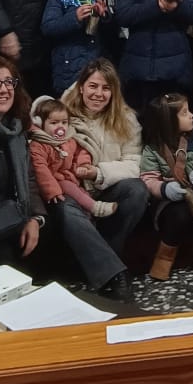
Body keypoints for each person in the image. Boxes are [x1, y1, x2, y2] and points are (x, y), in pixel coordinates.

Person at [0, 58, 132, 300]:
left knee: (57, 223)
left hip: (14, 218)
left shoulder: (16, 128)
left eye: (9, 82)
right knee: (8, 290)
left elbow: (30, 180)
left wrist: (35, 219)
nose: (4, 89)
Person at [59, 59, 152, 286]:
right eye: (93, 86)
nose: (98, 93)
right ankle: (113, 275)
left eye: (105, 88)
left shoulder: (126, 118)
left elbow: (134, 162)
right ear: (81, 87)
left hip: (106, 187)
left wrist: (98, 172)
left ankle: (107, 262)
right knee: (62, 205)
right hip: (73, 190)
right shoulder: (60, 113)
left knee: (137, 190)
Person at [139, 93, 193, 279]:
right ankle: (164, 257)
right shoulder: (153, 148)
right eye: (185, 113)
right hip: (169, 201)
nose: (192, 115)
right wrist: (163, 189)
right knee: (179, 215)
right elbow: (148, 178)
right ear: (169, 120)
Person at [29, 96, 116, 218]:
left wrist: (83, 165)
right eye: (54, 123)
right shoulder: (38, 144)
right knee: (67, 185)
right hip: (54, 182)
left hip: (70, 178)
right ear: (39, 123)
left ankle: (89, 216)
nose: (60, 127)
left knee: (82, 192)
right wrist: (52, 191)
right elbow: (40, 169)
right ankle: (96, 208)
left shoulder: (69, 139)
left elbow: (80, 151)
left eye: (64, 122)